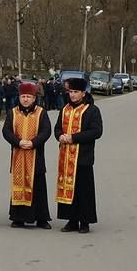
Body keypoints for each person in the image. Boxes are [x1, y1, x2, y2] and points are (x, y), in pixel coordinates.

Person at [55, 77, 103, 234]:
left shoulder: (91, 110)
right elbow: (57, 129)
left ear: (83, 93)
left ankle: (85, 222)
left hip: (83, 157)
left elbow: (96, 132)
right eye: (71, 92)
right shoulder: (65, 110)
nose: (73, 95)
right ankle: (71, 220)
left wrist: (74, 138)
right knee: (69, 189)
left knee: (84, 191)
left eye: (76, 92)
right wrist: (60, 136)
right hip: (66, 156)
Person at [3, 82, 52, 228]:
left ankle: (42, 218)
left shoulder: (41, 112)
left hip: (35, 155)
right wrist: (18, 142)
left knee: (38, 187)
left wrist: (33, 142)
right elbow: (6, 132)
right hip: (18, 154)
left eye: (28, 97)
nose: (25, 99)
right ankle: (18, 218)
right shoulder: (12, 112)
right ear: (19, 97)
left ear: (34, 98)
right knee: (18, 185)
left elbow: (46, 131)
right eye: (23, 96)